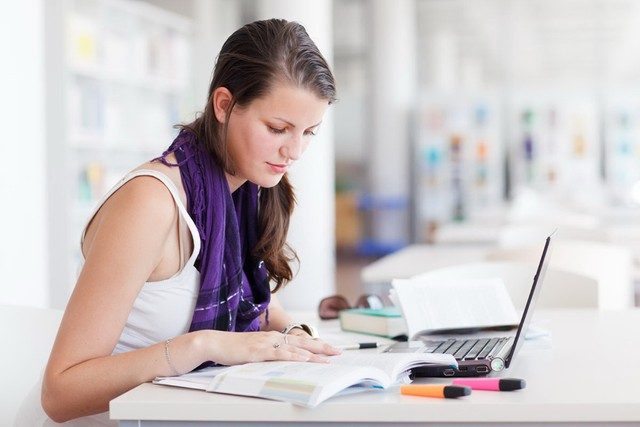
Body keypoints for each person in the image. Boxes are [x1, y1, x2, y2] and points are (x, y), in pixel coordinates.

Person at [17, 18, 341, 425]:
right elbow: (61, 393)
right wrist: (202, 346)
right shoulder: (150, 203)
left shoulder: (243, 189)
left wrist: (295, 334)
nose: (294, 151)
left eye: (309, 132)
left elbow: (254, 300)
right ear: (223, 105)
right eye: (278, 128)